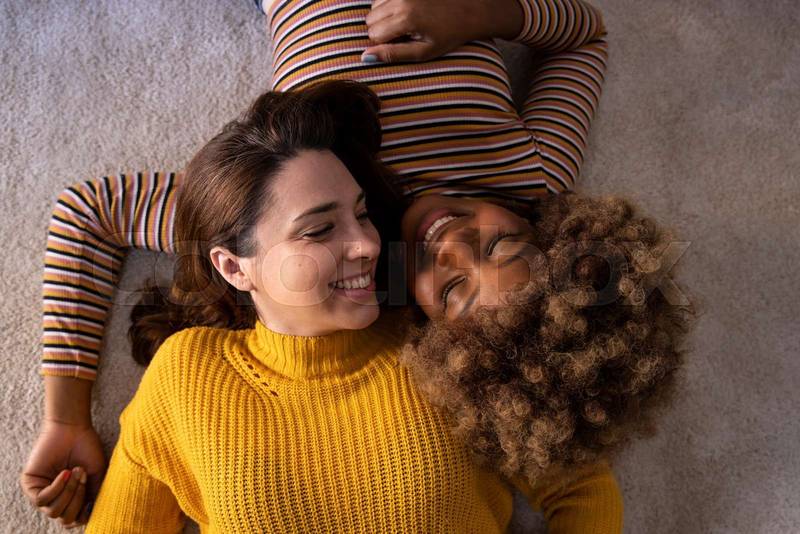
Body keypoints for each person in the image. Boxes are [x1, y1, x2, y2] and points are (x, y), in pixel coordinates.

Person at [21, 0, 626, 530]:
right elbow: (585, 35)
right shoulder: (533, 177)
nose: (450, 244)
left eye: (454, 292)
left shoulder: (284, 194)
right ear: (540, 231)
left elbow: (90, 211)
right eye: (499, 246)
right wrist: (479, 13)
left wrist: (66, 419)